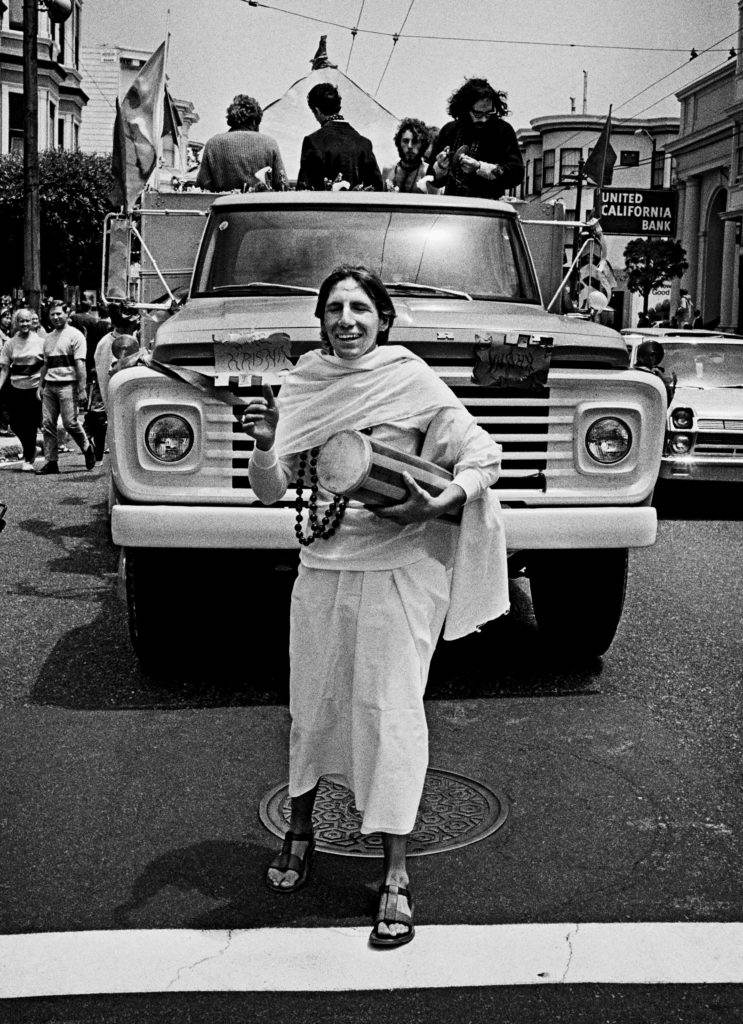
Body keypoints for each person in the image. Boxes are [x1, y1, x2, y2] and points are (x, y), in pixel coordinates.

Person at [240, 265, 508, 948]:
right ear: (321, 320)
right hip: (320, 571)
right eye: (333, 309)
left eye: (360, 308)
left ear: (381, 319)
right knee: (312, 706)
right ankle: (299, 832)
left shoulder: (411, 380)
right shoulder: (302, 383)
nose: (346, 320)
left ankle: (393, 873)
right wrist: (267, 441)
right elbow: (271, 495)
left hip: (399, 572)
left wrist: (443, 499)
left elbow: (481, 454)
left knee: (390, 714)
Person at [427, 78, 524, 199]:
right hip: (453, 207)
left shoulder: (503, 131)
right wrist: (440, 166)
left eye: (489, 113)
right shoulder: (449, 131)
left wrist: (480, 168)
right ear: (465, 109)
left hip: (488, 209)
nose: (484, 119)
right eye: (478, 114)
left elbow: (517, 173)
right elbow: (431, 179)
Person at [37, 300, 96, 474]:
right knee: (47, 424)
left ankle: (87, 447)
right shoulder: (48, 338)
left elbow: (80, 364)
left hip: (68, 385)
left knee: (70, 423)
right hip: (50, 386)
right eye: (52, 314)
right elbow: (45, 364)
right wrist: (40, 385)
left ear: (67, 313)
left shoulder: (75, 335)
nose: (55, 317)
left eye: (59, 313)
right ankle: (51, 462)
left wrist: (82, 388)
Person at [296, 83, 384, 192]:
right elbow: (377, 187)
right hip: (357, 207)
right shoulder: (364, 143)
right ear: (338, 107)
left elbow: (304, 190)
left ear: (317, 111)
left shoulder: (313, 142)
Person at [196, 94, 287, 193]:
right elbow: (282, 184)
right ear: (254, 121)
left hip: (224, 206)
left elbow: (203, 183)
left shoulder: (213, 144)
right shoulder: (269, 143)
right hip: (259, 206)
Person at [0, 308, 44, 471]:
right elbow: (4, 368)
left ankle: (29, 457)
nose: (24, 324)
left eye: (27, 321)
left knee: (30, 424)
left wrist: (42, 385)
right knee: (15, 424)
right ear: (16, 323)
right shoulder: (10, 343)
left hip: (34, 389)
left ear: (32, 322)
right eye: (21, 321)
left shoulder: (40, 342)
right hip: (16, 388)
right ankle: (31, 448)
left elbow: (46, 364)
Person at [387, 118, 431, 193]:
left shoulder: (428, 173)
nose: (410, 146)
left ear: (423, 144)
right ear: (399, 143)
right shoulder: (388, 169)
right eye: (405, 141)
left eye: (415, 141)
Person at [635, 339, 676, 404]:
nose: (653, 358)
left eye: (654, 356)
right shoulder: (638, 372)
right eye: (651, 355)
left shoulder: (658, 372)